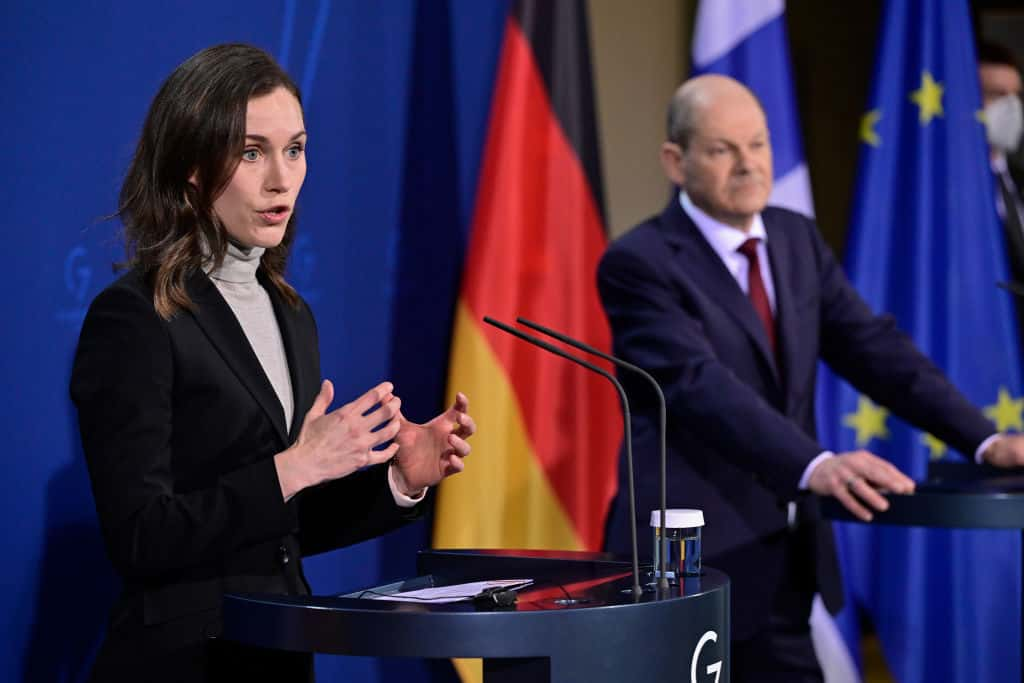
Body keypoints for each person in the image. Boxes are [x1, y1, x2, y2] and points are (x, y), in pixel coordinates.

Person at [70, 43, 476, 682]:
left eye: (295, 149)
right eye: (251, 152)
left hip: (277, 656)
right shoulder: (136, 318)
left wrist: (400, 480)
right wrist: (295, 466)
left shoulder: (290, 313)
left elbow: (278, 531)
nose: (281, 179)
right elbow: (142, 538)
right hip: (183, 664)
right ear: (194, 167)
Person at [598, 74, 1024, 682]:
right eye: (723, 150)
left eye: (759, 144)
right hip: (688, 567)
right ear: (676, 160)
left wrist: (985, 441)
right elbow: (698, 386)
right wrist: (816, 464)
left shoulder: (794, 238)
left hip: (785, 562)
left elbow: (874, 349)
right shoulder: (639, 263)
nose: (748, 165)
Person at [978, 41, 1024, 340]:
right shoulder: (948, 197)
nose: (1011, 107)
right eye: (996, 95)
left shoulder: (1019, 183)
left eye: (1017, 96)